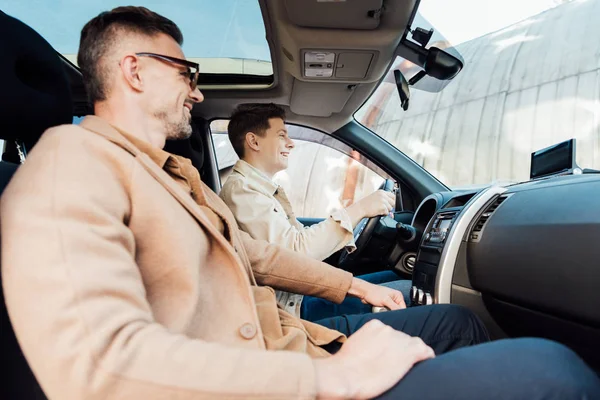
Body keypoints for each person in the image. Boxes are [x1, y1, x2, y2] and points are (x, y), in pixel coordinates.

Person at [2, 6, 599, 400]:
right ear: (133, 70)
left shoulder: (169, 173)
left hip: (281, 340)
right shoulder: (72, 161)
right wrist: (328, 377)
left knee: (459, 320)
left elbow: (255, 255)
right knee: (553, 371)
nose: (198, 88)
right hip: (265, 376)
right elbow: (98, 366)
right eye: (185, 70)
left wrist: (352, 288)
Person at [219, 102, 412, 321]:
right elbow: (295, 255)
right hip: (287, 314)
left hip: (296, 298)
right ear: (254, 141)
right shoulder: (242, 192)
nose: (291, 144)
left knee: (397, 277)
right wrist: (359, 210)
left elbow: (300, 241)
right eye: (282, 135)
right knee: (408, 291)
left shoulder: (260, 189)